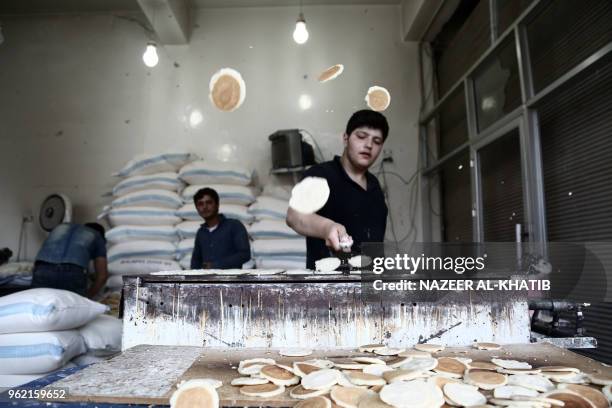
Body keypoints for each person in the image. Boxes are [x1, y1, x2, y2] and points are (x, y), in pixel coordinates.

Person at [286, 109, 389, 269]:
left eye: (376, 141)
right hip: (327, 287)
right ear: (346, 138)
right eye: (361, 137)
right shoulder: (321, 175)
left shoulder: (375, 186)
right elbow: (294, 215)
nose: (369, 145)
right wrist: (328, 228)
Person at [32, 223, 108, 298]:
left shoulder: (60, 227)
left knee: (39, 305)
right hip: (72, 272)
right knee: (72, 307)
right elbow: (102, 276)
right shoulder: (97, 236)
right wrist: (87, 297)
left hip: (43, 268)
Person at [190, 187, 251, 269]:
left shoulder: (234, 226)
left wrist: (216, 266)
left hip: (231, 280)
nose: (205, 207)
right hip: (208, 281)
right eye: (200, 204)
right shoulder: (201, 233)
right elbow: (196, 262)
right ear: (197, 208)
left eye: (209, 202)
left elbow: (245, 254)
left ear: (217, 204)